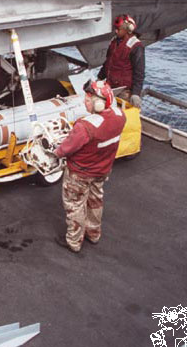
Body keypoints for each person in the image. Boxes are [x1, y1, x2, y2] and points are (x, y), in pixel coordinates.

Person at [53, 80, 126, 253]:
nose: (85, 102)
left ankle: (74, 241)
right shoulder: (120, 116)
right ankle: (93, 233)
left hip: (79, 174)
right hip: (102, 170)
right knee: (95, 201)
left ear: (98, 103)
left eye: (87, 99)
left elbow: (65, 149)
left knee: (75, 205)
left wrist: (55, 152)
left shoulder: (85, 126)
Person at [98, 14, 145, 108]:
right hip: (110, 87)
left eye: (118, 29)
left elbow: (139, 73)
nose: (116, 31)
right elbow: (108, 63)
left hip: (124, 92)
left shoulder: (136, 46)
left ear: (127, 29)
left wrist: (135, 93)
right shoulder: (114, 42)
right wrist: (99, 78)